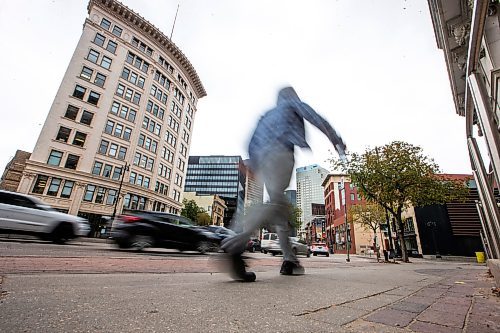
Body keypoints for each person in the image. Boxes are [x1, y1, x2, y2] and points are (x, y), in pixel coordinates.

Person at [221, 86, 347, 282]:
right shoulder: (292, 104)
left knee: (279, 209)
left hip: (262, 160)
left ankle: (289, 261)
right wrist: (335, 139)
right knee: (277, 203)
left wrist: (252, 165)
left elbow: (252, 140)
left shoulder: (266, 115)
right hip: (281, 154)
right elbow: (314, 117)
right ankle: (235, 243)